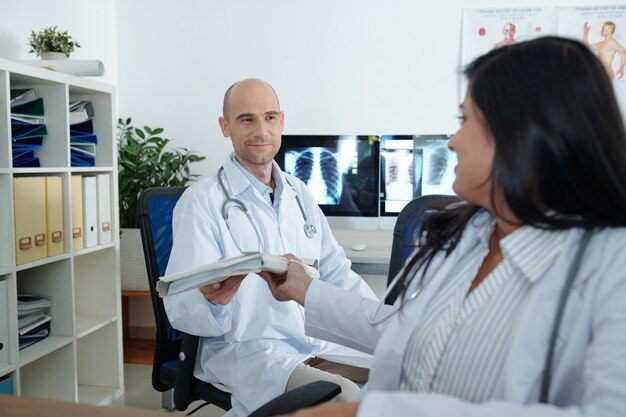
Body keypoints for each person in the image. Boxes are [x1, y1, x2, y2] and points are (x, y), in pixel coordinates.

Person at [263, 36, 626, 417]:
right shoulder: (473, 234)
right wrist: (306, 289)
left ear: (522, 133)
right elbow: (404, 331)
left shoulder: (610, 266)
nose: (452, 141)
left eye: (465, 120)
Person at [163, 78, 377, 417]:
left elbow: (336, 271)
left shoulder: (299, 192)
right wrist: (212, 300)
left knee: (403, 367)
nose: (261, 129)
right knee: (346, 397)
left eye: (270, 117)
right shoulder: (201, 202)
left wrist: (377, 323)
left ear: (282, 121)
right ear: (225, 127)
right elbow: (180, 305)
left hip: (314, 340)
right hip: (252, 351)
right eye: (246, 119)